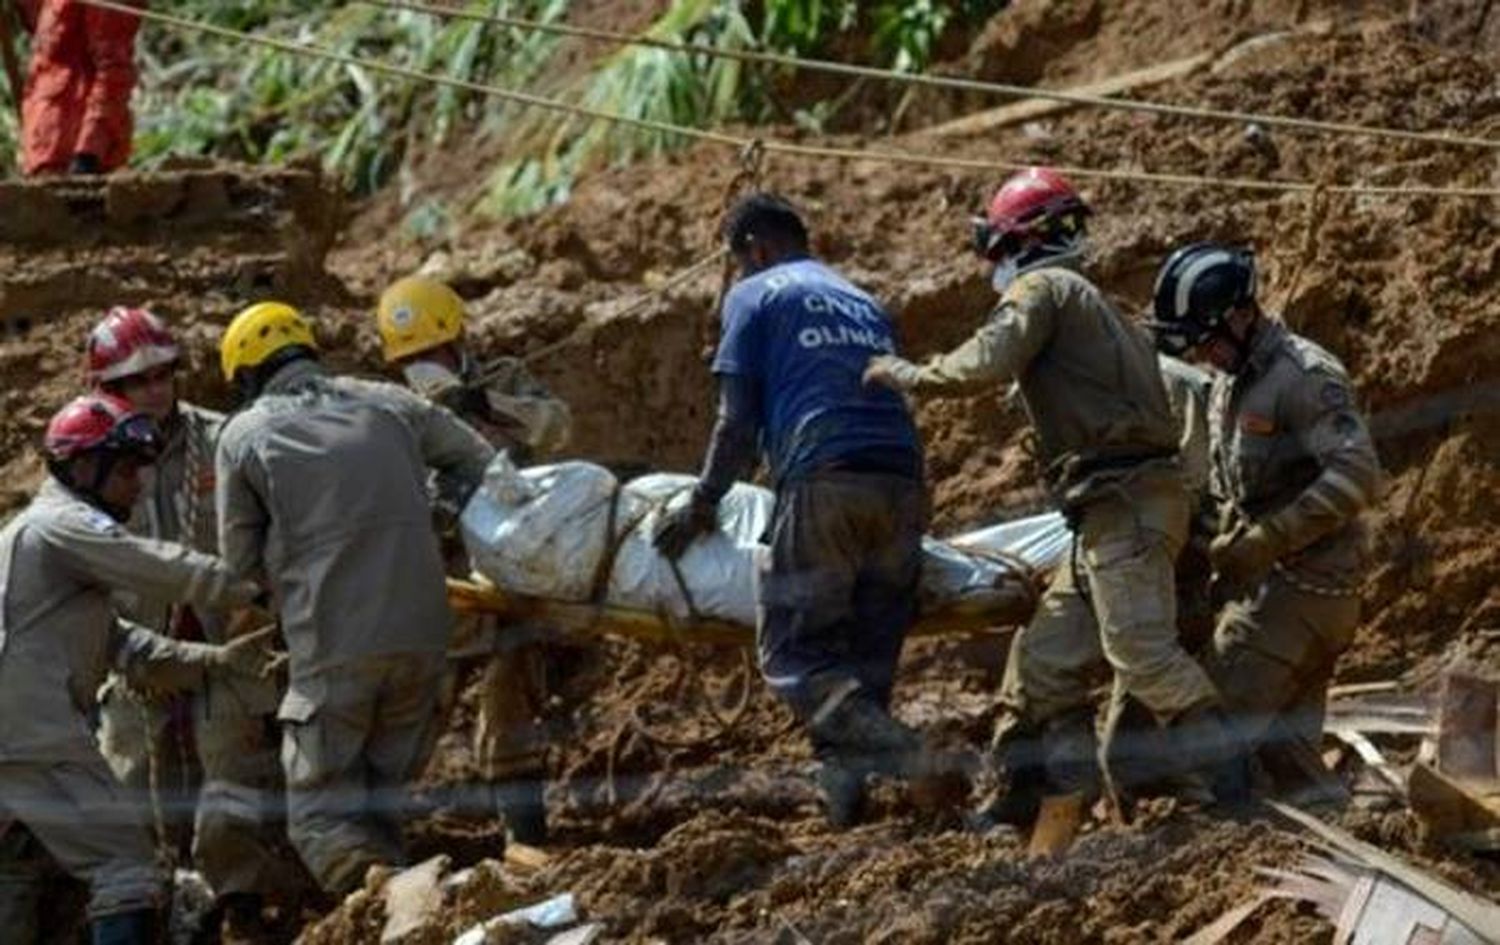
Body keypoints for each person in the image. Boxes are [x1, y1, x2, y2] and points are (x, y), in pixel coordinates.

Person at [864, 167, 1244, 828]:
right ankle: (1027, 803)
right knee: (1040, 660)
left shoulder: (1044, 289)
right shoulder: (1097, 307)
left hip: (1124, 508)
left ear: (1018, 243)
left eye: (995, 250)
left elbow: (984, 363)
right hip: (1112, 511)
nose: (993, 267)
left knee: (1142, 653)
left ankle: (1237, 781)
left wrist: (904, 374)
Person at [651, 193, 940, 828]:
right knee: (862, 666)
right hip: (901, 484)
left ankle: (911, 754)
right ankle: (846, 817)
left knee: (797, 655)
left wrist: (702, 504)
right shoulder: (863, 300)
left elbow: (734, 423)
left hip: (824, 477)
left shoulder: (753, 296)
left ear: (754, 249)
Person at [215, 301, 495, 896]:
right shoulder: (389, 401)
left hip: (331, 645)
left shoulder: (242, 434)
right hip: (425, 638)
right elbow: (479, 462)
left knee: (319, 817)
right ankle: (404, 902)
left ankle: (387, 908)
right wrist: (435, 517)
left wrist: (278, 594)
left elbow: (238, 567)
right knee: (377, 807)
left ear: (244, 376)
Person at [0, 393, 271, 945]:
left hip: (16, 735)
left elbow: (128, 651)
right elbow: (153, 566)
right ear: (82, 467)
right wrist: (255, 585)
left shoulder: (43, 555)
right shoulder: (60, 525)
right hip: (29, 730)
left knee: (16, 873)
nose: (139, 484)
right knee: (124, 867)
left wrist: (216, 663)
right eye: (125, 469)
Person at [1148, 241, 1382, 804]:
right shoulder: (1233, 380)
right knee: (1288, 760)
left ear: (1240, 315)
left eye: (1206, 340)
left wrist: (1270, 539)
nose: (1202, 355)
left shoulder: (1302, 376)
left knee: (1209, 740)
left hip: (1300, 590)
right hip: (1277, 588)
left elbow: (1358, 476)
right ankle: (1342, 850)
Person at [84, 306, 291, 939]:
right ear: (105, 391)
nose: (153, 390)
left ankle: (242, 909)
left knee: (230, 795)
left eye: (162, 375)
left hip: (223, 643)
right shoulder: (86, 455)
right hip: (134, 653)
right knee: (128, 796)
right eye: (134, 382)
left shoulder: (222, 437)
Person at [375, 276, 571, 845]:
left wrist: (485, 405)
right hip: (441, 577)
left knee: (510, 705)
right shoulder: (396, 411)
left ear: (457, 342)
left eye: (432, 354)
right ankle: (375, 835)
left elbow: (556, 425)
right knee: (412, 713)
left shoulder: (502, 378)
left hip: (511, 562)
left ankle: (525, 834)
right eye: (411, 360)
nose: (424, 368)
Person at [13, 0, 144, 176]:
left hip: (77, 155)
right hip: (44, 146)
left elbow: (114, 71)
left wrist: (88, 153)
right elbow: (43, 31)